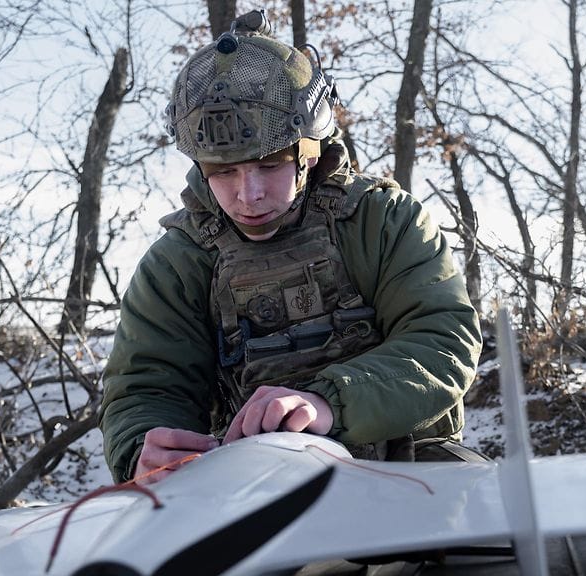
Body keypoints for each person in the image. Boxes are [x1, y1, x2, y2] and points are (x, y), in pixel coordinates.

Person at [99, 10, 483, 485]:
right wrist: (144, 446)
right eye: (222, 172)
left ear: (310, 151)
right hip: (254, 484)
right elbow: (148, 385)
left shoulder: (385, 221)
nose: (248, 194)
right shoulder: (177, 264)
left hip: (409, 467)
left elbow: (442, 340)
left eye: (269, 165)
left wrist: (327, 402)